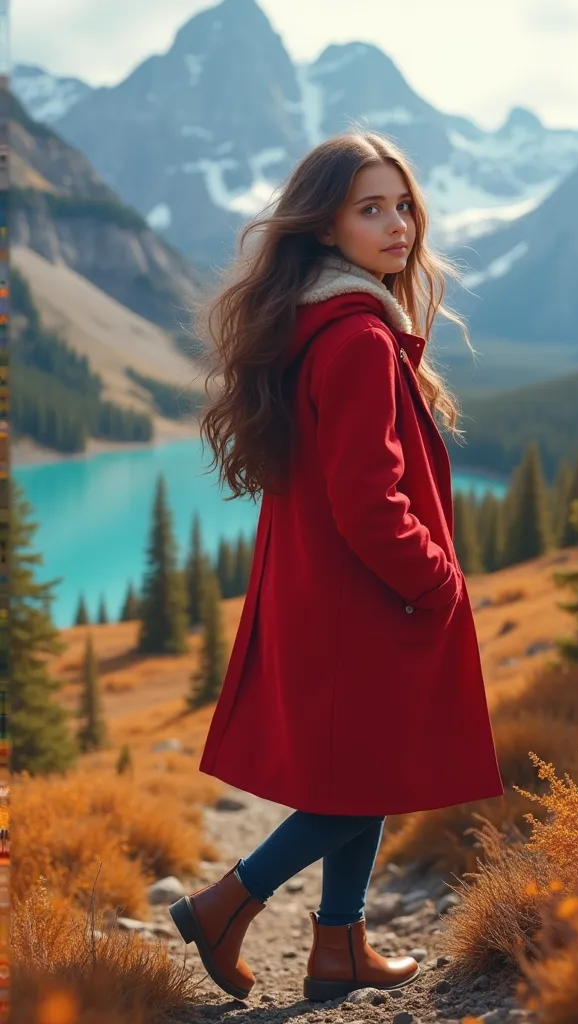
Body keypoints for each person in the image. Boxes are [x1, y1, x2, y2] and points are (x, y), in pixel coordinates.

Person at [168, 129, 504, 1003]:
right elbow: (368, 499)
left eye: (402, 206)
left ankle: (338, 948)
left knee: (368, 766)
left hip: (339, 593)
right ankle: (226, 903)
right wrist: (437, 579)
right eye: (370, 209)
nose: (397, 225)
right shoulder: (357, 337)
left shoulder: (323, 320)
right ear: (325, 228)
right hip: (371, 598)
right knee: (368, 777)